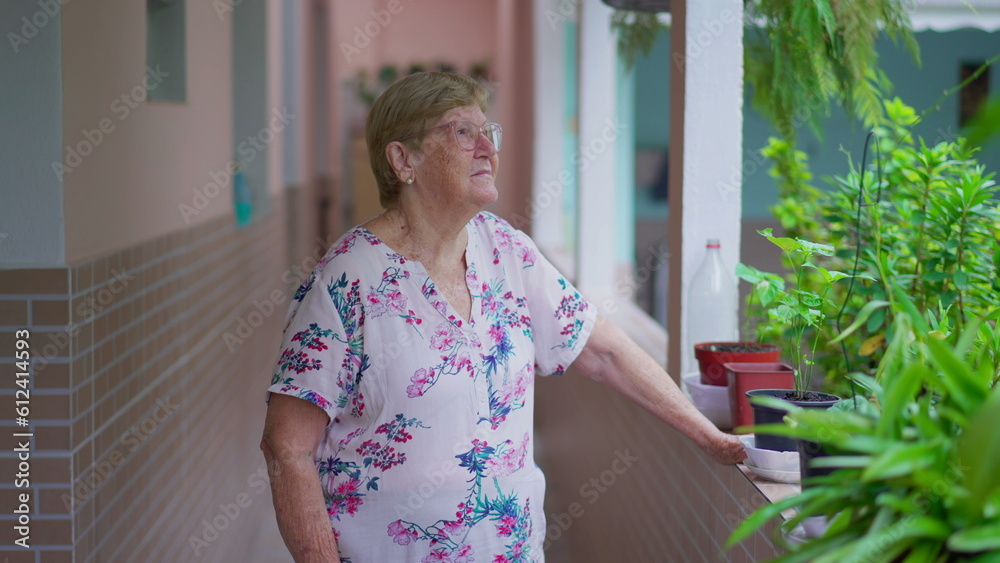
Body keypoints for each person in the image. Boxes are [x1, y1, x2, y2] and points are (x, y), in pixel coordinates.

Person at [260, 72, 745, 563]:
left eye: (488, 132)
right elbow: (287, 449)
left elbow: (603, 351)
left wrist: (709, 436)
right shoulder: (346, 280)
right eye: (462, 132)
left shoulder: (506, 250)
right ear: (403, 159)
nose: (488, 149)